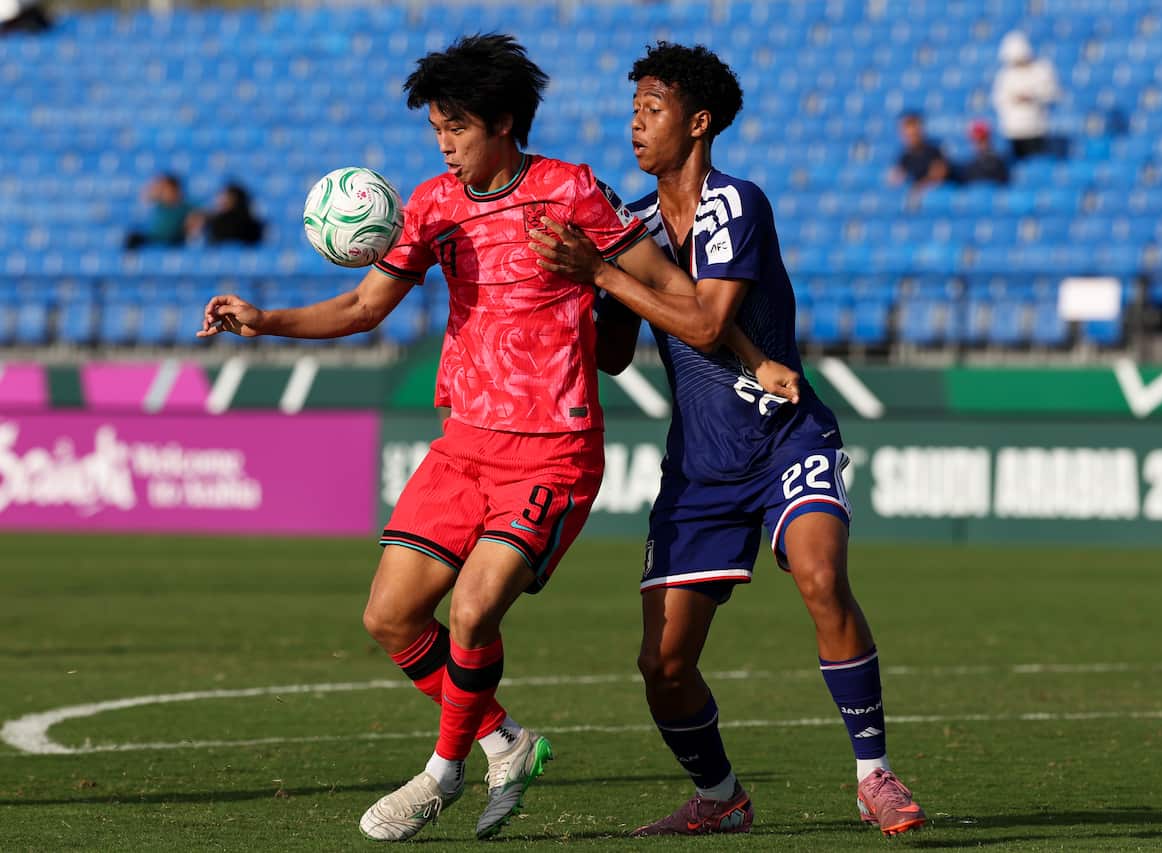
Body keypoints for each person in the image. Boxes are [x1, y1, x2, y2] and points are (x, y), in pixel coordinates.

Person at [195, 34, 796, 843]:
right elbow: (363, 308)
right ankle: (500, 738)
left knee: (475, 611)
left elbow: (674, 292)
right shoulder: (434, 205)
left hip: (552, 449)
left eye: (458, 127)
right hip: (462, 446)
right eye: (437, 128)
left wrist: (734, 344)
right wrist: (264, 320)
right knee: (390, 617)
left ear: (506, 122)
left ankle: (441, 772)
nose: (444, 143)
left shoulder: (572, 192)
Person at [531, 42, 927, 838]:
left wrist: (604, 272)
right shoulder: (633, 227)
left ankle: (873, 774)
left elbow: (710, 323)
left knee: (818, 574)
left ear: (699, 121)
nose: (635, 124)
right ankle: (721, 795)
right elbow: (612, 353)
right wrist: (569, 277)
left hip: (786, 435)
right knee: (664, 667)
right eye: (633, 110)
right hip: (702, 465)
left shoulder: (735, 203)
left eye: (653, 108)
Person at [992, 30, 1059, 161]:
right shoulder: (1005, 75)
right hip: (1013, 130)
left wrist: (1032, 96)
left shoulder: (1041, 69)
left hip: (1036, 127)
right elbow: (999, 99)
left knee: (1037, 161)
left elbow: (1051, 93)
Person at [124, 173, 193, 250]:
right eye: (161, 189)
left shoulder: (185, 206)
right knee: (132, 238)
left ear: (175, 189)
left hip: (174, 239)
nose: (162, 192)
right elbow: (145, 198)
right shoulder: (159, 204)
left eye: (165, 189)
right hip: (154, 237)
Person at [189, 182, 264, 246]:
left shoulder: (250, 224)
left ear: (235, 200)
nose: (220, 201)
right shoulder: (212, 220)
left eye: (225, 198)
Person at [889, 111, 949, 190]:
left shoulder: (934, 151)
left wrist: (918, 188)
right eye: (908, 135)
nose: (911, 137)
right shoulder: (904, 156)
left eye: (914, 134)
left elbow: (938, 175)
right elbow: (895, 178)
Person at [960, 120, 1009, 185]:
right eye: (975, 141)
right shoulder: (969, 165)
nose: (979, 144)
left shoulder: (998, 163)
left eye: (982, 140)